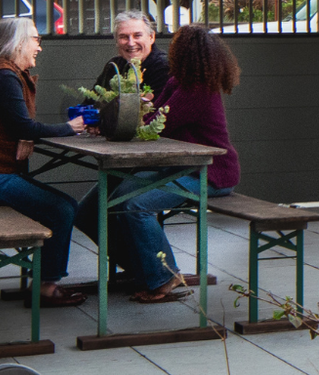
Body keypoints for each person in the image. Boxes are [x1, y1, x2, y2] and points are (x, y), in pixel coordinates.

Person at [82, 24, 242, 301]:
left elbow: (157, 125)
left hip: (210, 173)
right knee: (97, 206)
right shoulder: (177, 83)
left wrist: (123, 117)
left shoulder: (198, 90)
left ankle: (163, 277)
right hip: (179, 167)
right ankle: (143, 268)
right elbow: (150, 120)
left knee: (134, 205)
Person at [0, 17, 91, 306]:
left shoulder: (4, 74)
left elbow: (17, 126)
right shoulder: (4, 76)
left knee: (57, 206)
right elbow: (24, 127)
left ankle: (44, 279)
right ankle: (47, 288)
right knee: (62, 208)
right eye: (35, 39)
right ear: (17, 43)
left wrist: (32, 134)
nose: (39, 47)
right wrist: (70, 128)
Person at [96, 10, 170, 96]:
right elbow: (91, 102)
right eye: (123, 37)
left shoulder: (164, 67)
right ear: (116, 41)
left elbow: (156, 107)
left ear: (151, 37)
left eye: (137, 36)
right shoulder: (114, 66)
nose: (131, 43)